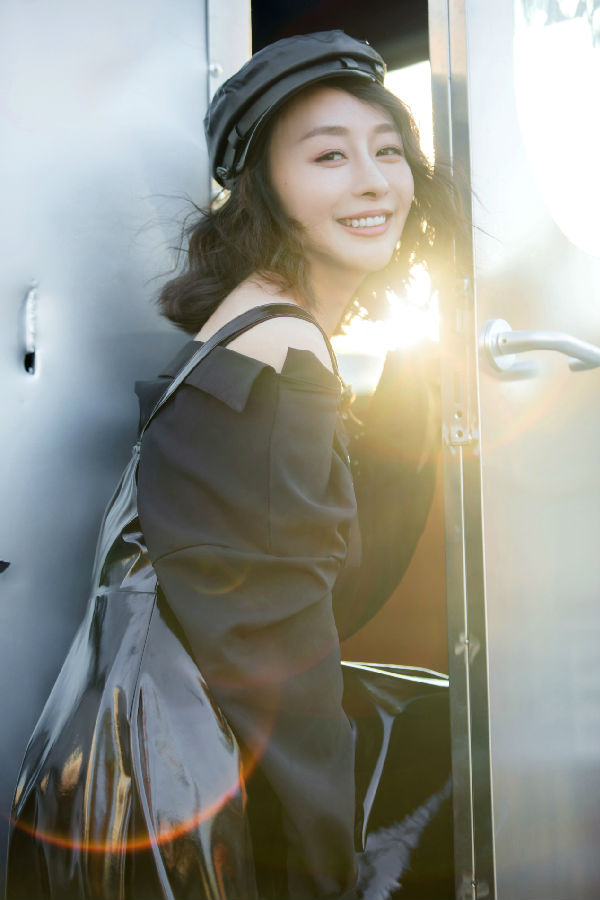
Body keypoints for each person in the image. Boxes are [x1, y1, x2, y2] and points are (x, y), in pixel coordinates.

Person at [7, 30, 460, 900]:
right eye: (329, 156)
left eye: (389, 150)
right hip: (190, 787)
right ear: (264, 189)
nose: (374, 180)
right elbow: (274, 652)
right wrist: (327, 863)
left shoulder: (256, 323)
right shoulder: (283, 346)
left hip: (145, 750)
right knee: (455, 737)